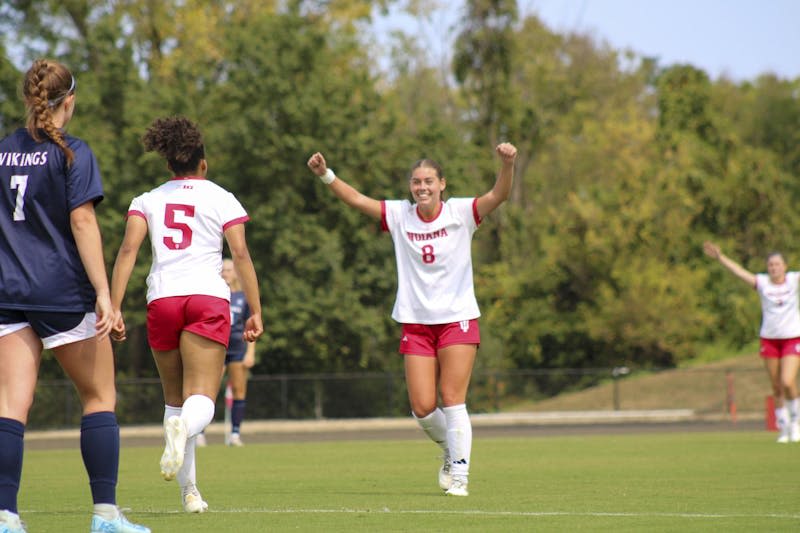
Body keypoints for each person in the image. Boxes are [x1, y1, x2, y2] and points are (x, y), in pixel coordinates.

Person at [306, 143, 517, 496]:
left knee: (452, 398)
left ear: (442, 184)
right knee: (422, 408)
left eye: (429, 181)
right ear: (410, 186)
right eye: (417, 181)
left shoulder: (461, 213)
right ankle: (450, 450)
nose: (422, 187)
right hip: (416, 322)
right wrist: (325, 175)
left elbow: (499, 194)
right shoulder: (400, 215)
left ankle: (461, 478)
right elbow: (358, 200)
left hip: (457, 319)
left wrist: (507, 164)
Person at [0, 59, 150, 533]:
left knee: (9, 405)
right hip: (62, 292)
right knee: (99, 396)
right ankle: (105, 517)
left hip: (7, 290)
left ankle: (5, 518)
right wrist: (105, 294)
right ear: (70, 100)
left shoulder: (2, 150)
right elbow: (83, 222)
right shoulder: (73, 152)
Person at [110, 116, 263, 513]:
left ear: (168, 166)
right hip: (207, 299)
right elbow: (241, 254)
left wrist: (112, 307)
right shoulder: (221, 197)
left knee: (175, 402)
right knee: (202, 400)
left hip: (162, 299)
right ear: (203, 163)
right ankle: (184, 444)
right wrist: (256, 310)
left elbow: (128, 253)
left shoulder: (146, 200)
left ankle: (189, 494)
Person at [704, 241, 800, 443]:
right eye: (770, 265)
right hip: (769, 339)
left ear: (785, 266)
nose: (774, 268)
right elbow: (739, 272)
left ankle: (796, 422)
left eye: (777, 264)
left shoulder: (793, 280)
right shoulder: (763, 283)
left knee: (787, 380)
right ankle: (783, 427)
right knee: (776, 386)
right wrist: (720, 258)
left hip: (792, 338)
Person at [196, 258, 257, 448]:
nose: (225, 273)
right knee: (208, 391)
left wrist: (250, 353)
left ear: (236, 272)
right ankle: (200, 432)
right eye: (223, 270)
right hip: (216, 348)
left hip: (238, 348)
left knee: (239, 390)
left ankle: (235, 433)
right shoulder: (213, 294)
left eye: (229, 270)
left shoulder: (243, 297)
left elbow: (251, 324)